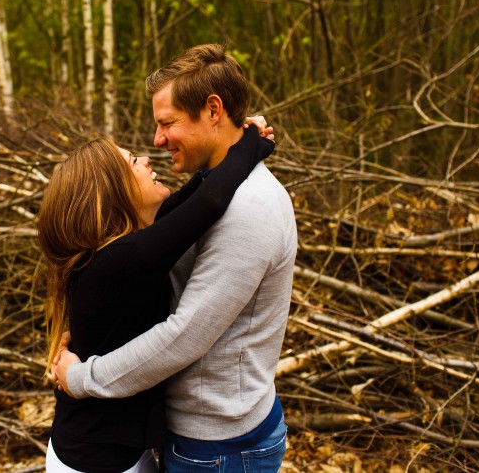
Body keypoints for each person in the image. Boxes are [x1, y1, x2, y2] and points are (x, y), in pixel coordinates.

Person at [53, 43, 297, 472]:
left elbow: (184, 336)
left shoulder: (247, 209)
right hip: (160, 440)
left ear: (213, 110)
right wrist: (248, 143)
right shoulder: (129, 248)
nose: (156, 141)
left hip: (220, 444)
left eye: (167, 123)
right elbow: (200, 200)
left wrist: (81, 379)